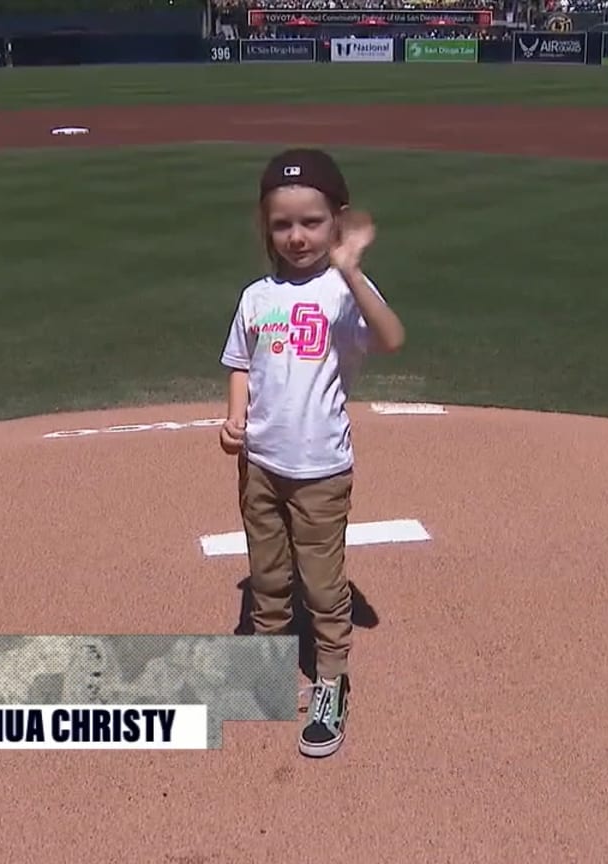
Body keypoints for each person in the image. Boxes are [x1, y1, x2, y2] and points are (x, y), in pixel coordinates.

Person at [217, 148, 406, 758]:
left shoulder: (341, 291)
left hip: (321, 467)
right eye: (281, 224)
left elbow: (391, 339)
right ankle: (267, 672)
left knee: (323, 587)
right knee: (269, 580)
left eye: (312, 222)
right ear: (265, 227)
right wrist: (234, 416)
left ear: (338, 224)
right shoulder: (256, 296)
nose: (296, 236)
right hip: (262, 465)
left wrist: (352, 270)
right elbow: (241, 361)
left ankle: (330, 680)